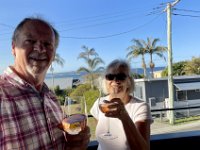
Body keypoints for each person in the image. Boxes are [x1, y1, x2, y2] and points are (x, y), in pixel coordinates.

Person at [0, 17, 90, 150]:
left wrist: (77, 144)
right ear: (14, 48)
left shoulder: (51, 98)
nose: (40, 48)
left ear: (53, 55)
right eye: (30, 41)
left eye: (48, 44)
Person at [90, 59, 152, 150]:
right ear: (105, 81)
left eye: (121, 76)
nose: (115, 80)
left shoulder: (140, 107)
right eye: (110, 76)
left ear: (129, 82)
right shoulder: (99, 103)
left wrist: (124, 116)